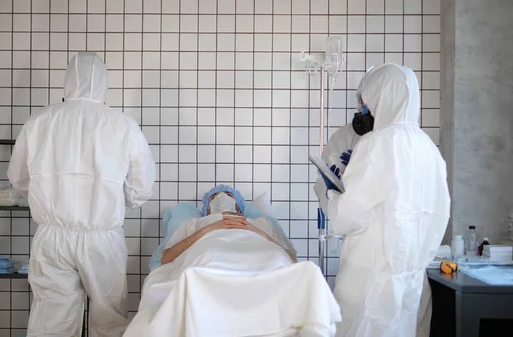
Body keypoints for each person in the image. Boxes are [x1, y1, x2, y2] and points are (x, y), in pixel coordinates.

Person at [8, 52, 156, 337]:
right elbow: (141, 188)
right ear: (104, 83)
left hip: (51, 236)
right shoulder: (122, 125)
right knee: (109, 320)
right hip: (102, 238)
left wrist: (46, 194)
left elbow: (18, 178)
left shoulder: (39, 121)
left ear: (67, 82)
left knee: (51, 320)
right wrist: (116, 198)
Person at [323, 64, 450, 337]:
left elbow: (347, 217)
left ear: (382, 97)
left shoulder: (377, 143)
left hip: (370, 283)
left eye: (367, 103)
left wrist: (332, 193)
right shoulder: (429, 149)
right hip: (413, 284)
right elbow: (436, 214)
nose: (364, 111)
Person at [161, 185, 297, 265]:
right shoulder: (194, 224)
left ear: (239, 207)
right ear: (207, 210)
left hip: (260, 261)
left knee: (274, 258)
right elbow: (166, 259)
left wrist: (256, 230)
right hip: (211, 259)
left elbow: (292, 260)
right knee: (207, 256)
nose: (222, 196)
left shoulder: (263, 223)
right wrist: (208, 228)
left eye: (228, 195)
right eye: (213, 198)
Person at [314, 67, 375, 213]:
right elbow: (322, 184)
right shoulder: (346, 135)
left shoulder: (400, 142)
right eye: (363, 100)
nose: (365, 106)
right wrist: (335, 188)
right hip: (353, 224)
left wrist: (364, 170)